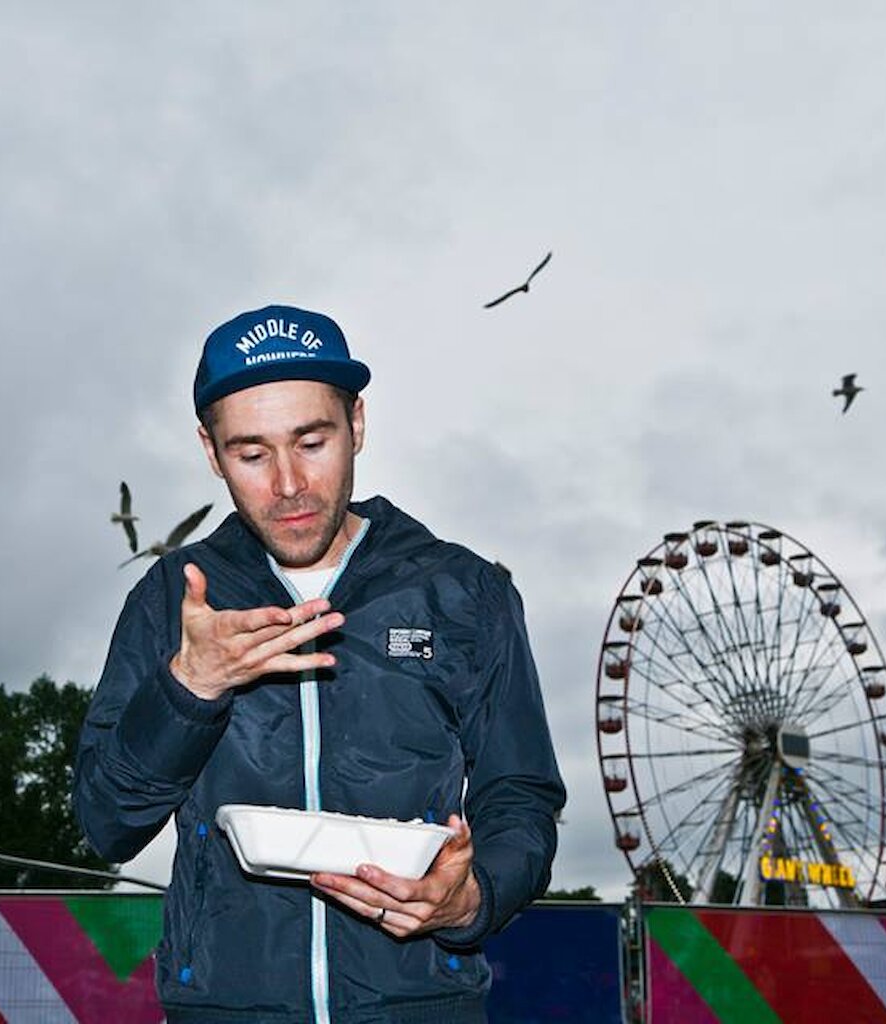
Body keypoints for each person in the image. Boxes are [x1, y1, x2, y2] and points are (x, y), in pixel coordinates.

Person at [73, 304, 565, 1023]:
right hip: (225, 1009)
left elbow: (520, 796)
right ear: (211, 452)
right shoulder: (170, 600)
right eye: (251, 454)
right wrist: (191, 687)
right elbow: (106, 823)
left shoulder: (464, 592)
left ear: (356, 424)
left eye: (311, 441)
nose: (288, 483)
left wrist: (473, 897)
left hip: (422, 1004)